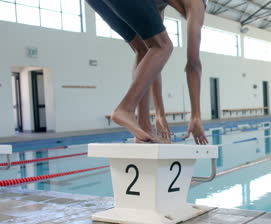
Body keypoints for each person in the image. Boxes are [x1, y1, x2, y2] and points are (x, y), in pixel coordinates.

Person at [86, 0, 209, 145]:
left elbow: (152, 60)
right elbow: (193, 64)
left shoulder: (158, 6)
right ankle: (125, 109)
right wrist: (196, 115)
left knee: (144, 49)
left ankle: (144, 126)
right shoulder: (198, 4)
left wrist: (159, 114)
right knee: (164, 46)